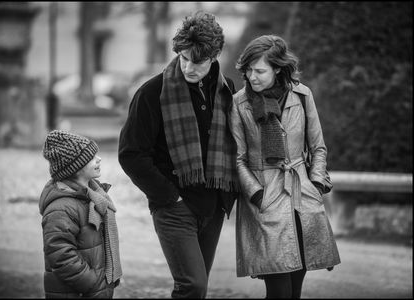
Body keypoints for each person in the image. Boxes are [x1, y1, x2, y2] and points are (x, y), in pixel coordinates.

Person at [118, 11, 239, 298]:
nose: (188, 68)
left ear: (214, 56)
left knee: (198, 288)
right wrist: (170, 197)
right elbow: (131, 153)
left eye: (197, 62)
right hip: (175, 207)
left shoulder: (226, 90)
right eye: (183, 58)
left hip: (212, 205)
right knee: (192, 286)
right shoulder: (152, 93)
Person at [229, 34, 341, 299]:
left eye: (259, 71)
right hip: (264, 202)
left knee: (294, 291)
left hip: (302, 199)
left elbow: (318, 147)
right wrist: (257, 194)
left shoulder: (302, 95)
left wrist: (315, 184)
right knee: (278, 291)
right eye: (248, 70)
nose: (252, 76)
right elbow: (238, 158)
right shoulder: (239, 103)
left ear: (277, 68)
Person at [39, 130, 122, 298]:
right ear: (75, 167)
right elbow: (60, 256)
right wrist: (92, 283)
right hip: (77, 291)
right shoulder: (61, 208)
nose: (99, 159)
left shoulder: (93, 196)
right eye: (91, 157)